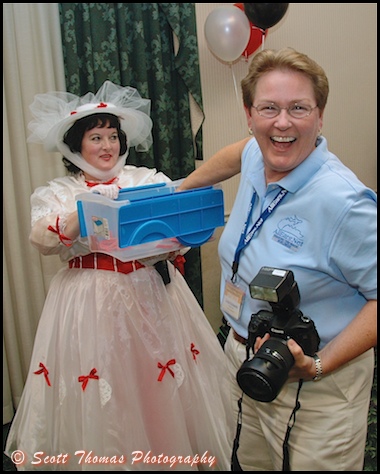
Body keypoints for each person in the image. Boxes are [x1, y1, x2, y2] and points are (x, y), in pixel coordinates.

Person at [4, 81, 233, 471]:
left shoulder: (146, 179)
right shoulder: (58, 191)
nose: (107, 145)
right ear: (76, 146)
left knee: (155, 384)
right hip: (88, 299)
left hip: (151, 294)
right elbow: (42, 238)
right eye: (96, 137)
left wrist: (175, 240)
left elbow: (177, 234)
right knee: (106, 385)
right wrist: (84, 210)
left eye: (113, 136)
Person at [178, 48, 377, 471]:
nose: (282, 123)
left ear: (320, 116)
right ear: (249, 115)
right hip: (250, 360)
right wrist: (182, 192)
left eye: (298, 108)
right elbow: (235, 154)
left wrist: (318, 365)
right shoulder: (258, 152)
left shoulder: (345, 204)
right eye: (268, 108)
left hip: (317, 384)